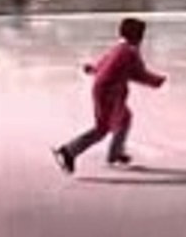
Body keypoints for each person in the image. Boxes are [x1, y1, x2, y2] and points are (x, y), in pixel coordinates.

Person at [53, 18, 167, 174]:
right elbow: (137, 74)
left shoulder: (120, 48)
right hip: (109, 93)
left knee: (124, 119)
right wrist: (157, 81)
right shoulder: (130, 52)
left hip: (105, 90)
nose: (142, 38)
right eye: (141, 34)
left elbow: (105, 64)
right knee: (102, 128)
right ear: (137, 36)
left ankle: (115, 153)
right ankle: (68, 151)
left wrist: (93, 69)